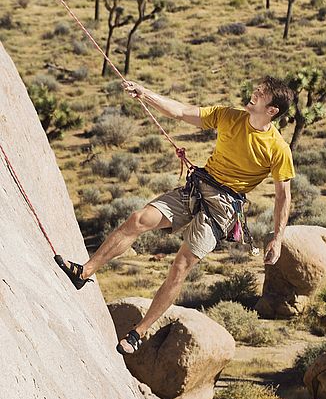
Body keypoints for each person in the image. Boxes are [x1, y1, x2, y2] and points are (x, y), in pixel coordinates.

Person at [56, 76, 295, 354]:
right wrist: (145, 94)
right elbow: (182, 111)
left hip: (222, 209)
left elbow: (283, 196)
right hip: (198, 188)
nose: (254, 93)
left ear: (272, 110)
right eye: (256, 89)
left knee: (181, 266)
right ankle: (84, 272)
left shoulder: (278, 149)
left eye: (261, 93)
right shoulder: (229, 116)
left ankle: (138, 333)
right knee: (138, 220)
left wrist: (278, 238)